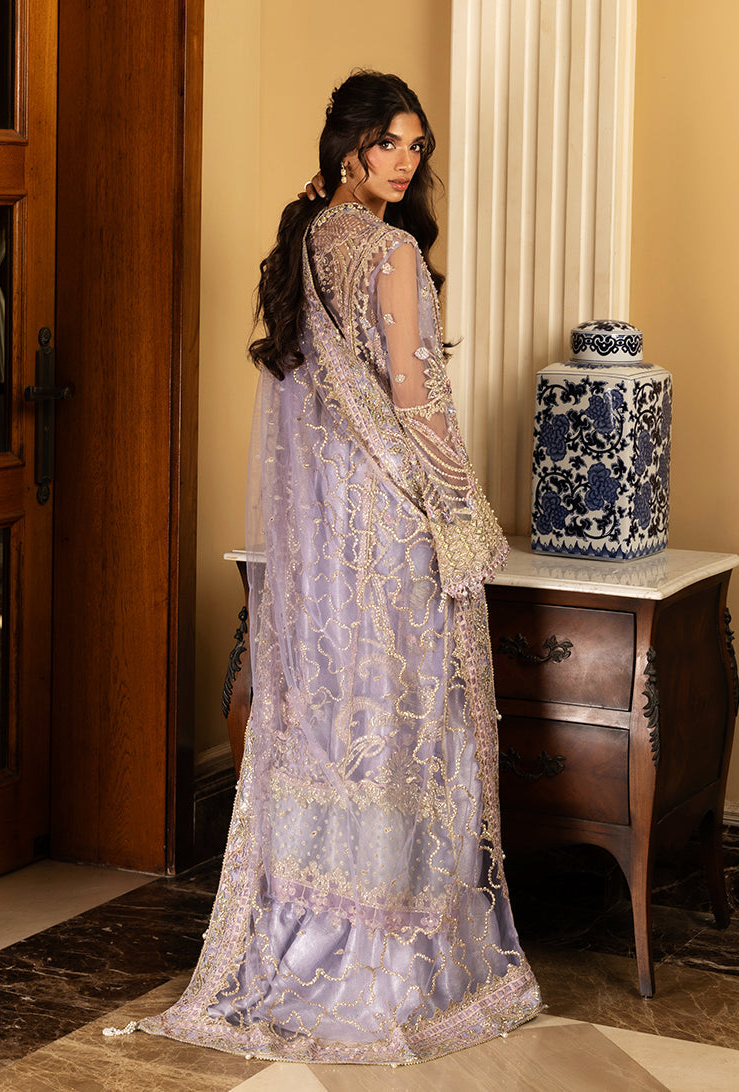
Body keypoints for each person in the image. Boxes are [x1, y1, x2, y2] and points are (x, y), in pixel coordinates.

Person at [128, 70, 541, 1065]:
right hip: (391, 526)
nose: (405, 161)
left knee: (332, 720)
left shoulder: (308, 239)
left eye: (416, 146)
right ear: (350, 146)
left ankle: (313, 938)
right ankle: (392, 963)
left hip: (320, 528)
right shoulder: (388, 252)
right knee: (400, 722)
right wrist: (465, 509)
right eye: (390, 142)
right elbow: (416, 401)